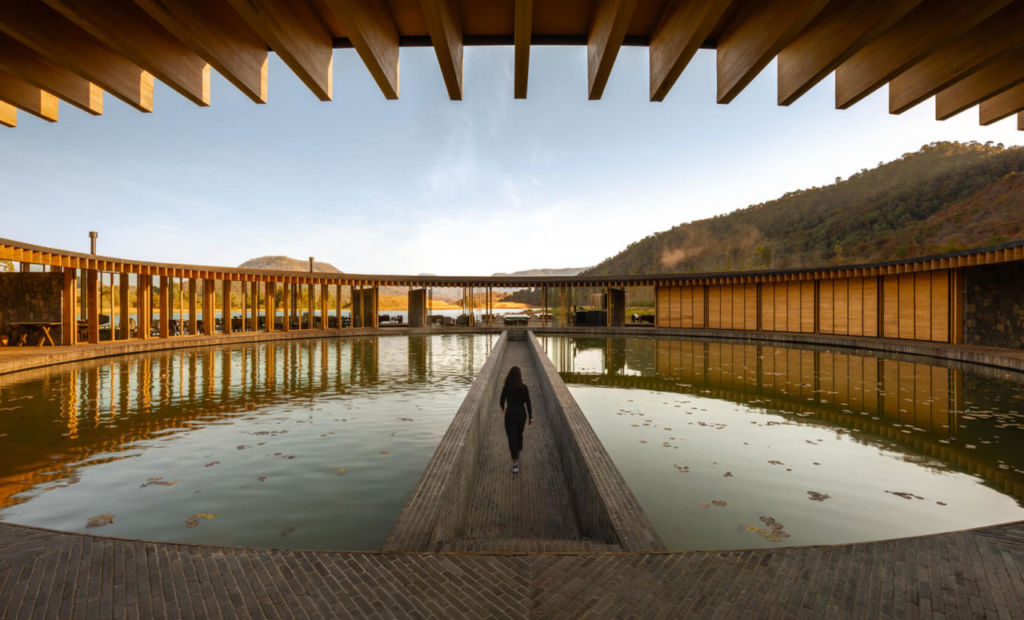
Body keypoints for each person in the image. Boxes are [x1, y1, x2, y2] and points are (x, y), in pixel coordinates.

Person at [499, 365, 533, 474]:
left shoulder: (507, 387)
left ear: (509, 375)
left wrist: (503, 409)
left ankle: (515, 463)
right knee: (519, 435)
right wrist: (531, 416)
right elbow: (528, 403)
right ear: (520, 376)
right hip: (521, 415)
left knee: (511, 438)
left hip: (510, 415)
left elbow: (501, 400)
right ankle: (518, 452)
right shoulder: (524, 388)